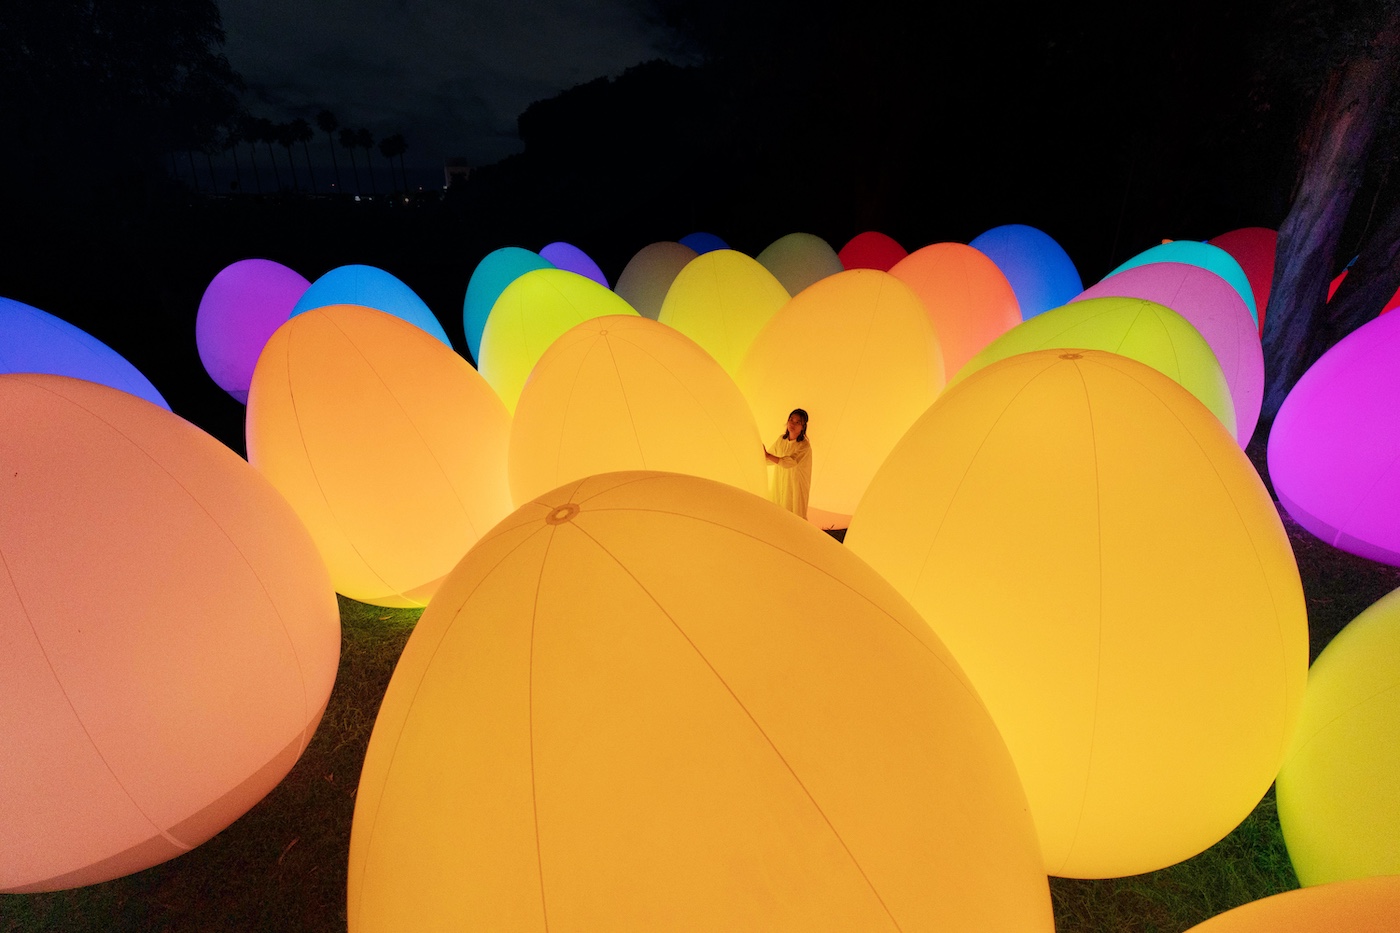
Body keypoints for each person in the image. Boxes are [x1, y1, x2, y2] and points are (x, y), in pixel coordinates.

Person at [763, 408, 812, 517]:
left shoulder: (804, 446)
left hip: (795, 484)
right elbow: (769, 459)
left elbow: (789, 462)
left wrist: (768, 455)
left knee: (794, 510)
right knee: (778, 508)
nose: (792, 424)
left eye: (797, 422)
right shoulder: (781, 440)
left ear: (803, 426)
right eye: (791, 420)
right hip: (781, 480)